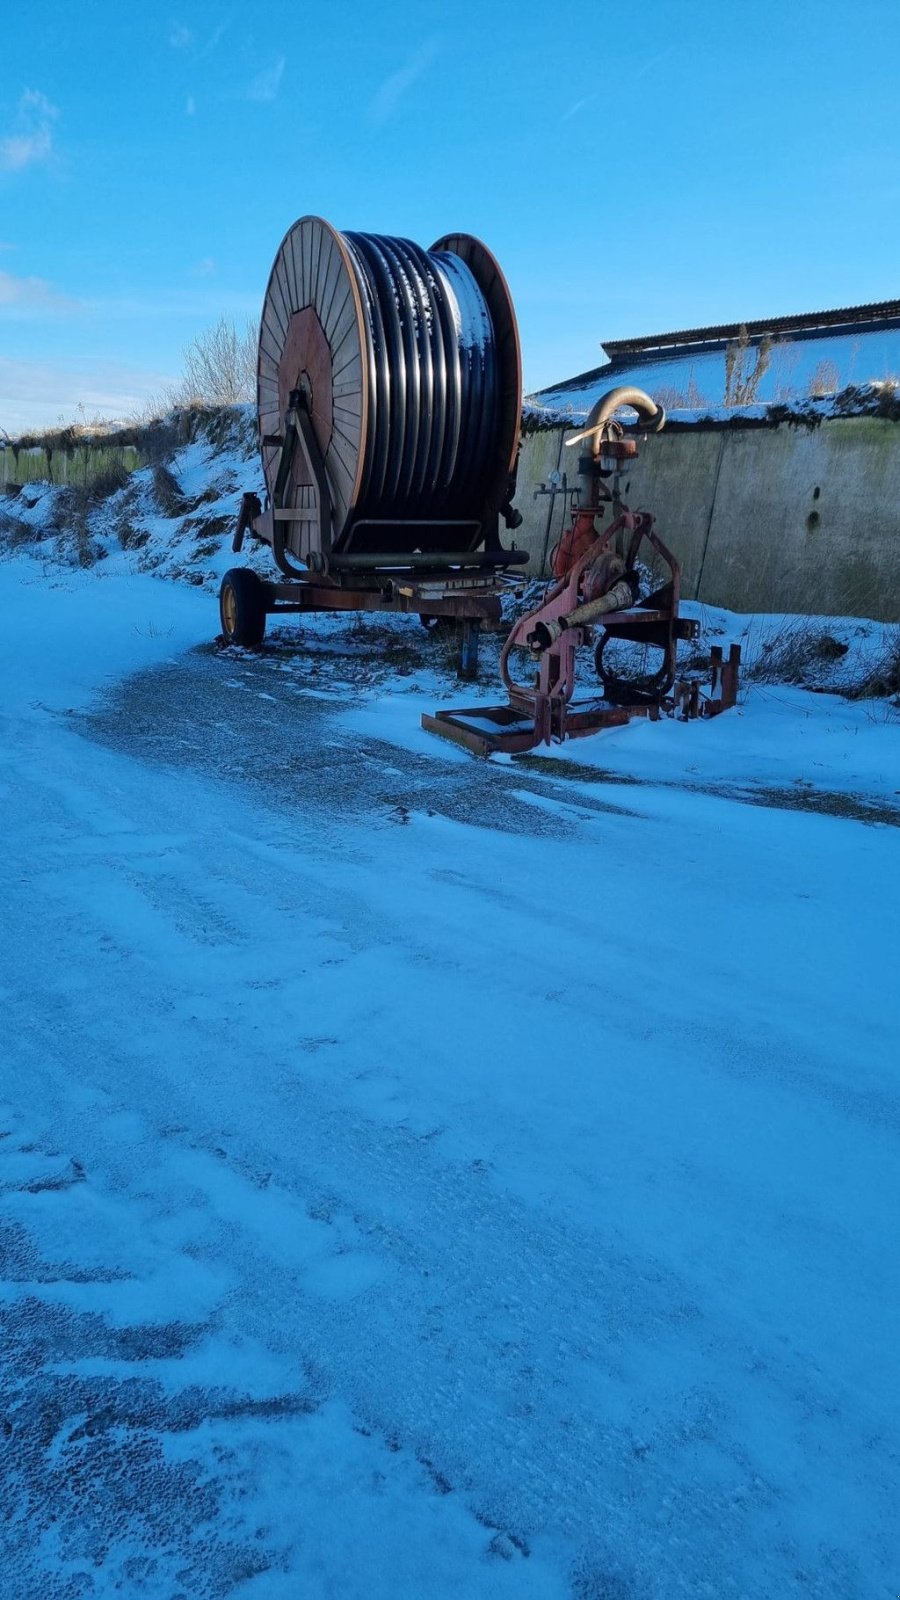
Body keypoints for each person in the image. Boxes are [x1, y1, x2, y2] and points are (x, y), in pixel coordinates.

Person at [526, 547, 639, 654]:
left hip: (613, 596)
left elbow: (606, 602)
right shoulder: (606, 570)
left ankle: (555, 628)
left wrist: (558, 627)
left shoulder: (619, 591)